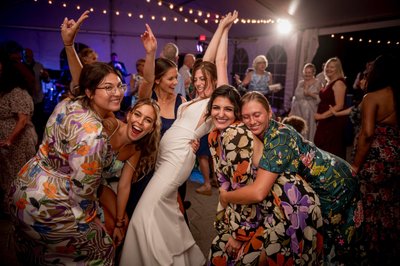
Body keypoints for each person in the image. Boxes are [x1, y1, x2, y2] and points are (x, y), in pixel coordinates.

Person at [120, 11, 238, 265]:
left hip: (177, 160)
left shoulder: (214, 101)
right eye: (195, 79)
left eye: (204, 80)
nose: (198, 83)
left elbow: (219, 59)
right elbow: (203, 65)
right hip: (163, 158)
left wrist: (222, 28)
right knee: (164, 209)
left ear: (215, 81)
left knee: (145, 211)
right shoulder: (192, 101)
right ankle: (184, 257)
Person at [219, 91, 363, 264]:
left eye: (257, 115)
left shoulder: (279, 139)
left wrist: (226, 196)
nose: (251, 121)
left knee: (333, 244)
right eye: (246, 117)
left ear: (269, 113)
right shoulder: (258, 133)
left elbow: (259, 192)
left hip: (336, 184)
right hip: (324, 181)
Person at [59, 11, 162, 248]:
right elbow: (83, 83)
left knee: (117, 223)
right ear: (129, 114)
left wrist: (119, 221)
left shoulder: (135, 150)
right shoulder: (108, 122)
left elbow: (124, 185)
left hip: (99, 187)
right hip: (71, 183)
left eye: (148, 121)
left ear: (151, 128)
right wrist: (68, 44)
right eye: (137, 115)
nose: (140, 123)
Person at [208, 86, 323, 265]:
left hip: (290, 204)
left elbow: (251, 191)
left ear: (269, 113)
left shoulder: (237, 136)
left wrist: (239, 232)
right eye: (216, 108)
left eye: (228, 109)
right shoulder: (219, 134)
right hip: (274, 202)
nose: (221, 113)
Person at [351, 54, 399, 265]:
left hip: (375, 161)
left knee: (368, 204)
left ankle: (368, 252)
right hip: (396, 158)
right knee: (390, 204)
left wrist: (355, 165)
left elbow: (367, 134)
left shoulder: (372, 97)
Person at [0, 60, 38, 216]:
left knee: (18, 177)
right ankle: (12, 209)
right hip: (8, 143)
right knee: (8, 177)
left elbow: (22, 120)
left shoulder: (17, 92)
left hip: (18, 142)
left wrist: (10, 139)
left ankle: (20, 213)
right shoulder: (6, 92)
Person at [314, 57, 348, 159]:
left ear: (337, 69)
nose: (329, 69)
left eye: (332, 67)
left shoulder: (339, 83)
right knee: (323, 147)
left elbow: (339, 105)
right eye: (327, 66)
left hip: (333, 121)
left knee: (331, 150)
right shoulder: (329, 82)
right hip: (326, 121)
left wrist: (321, 116)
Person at [23, 48, 50, 142]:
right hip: (25, 99)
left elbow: (47, 80)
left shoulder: (39, 66)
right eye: (25, 55)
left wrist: (46, 76)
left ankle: (39, 141)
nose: (27, 57)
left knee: (38, 121)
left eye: (29, 55)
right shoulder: (21, 66)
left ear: (32, 55)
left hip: (37, 98)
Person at [290, 63, 321, 141]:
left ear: (313, 73)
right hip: (298, 111)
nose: (307, 74)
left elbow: (320, 98)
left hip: (310, 112)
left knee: (308, 130)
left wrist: (309, 94)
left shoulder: (318, 83)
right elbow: (295, 98)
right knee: (298, 129)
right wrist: (291, 111)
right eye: (306, 72)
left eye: (309, 72)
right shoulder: (301, 82)